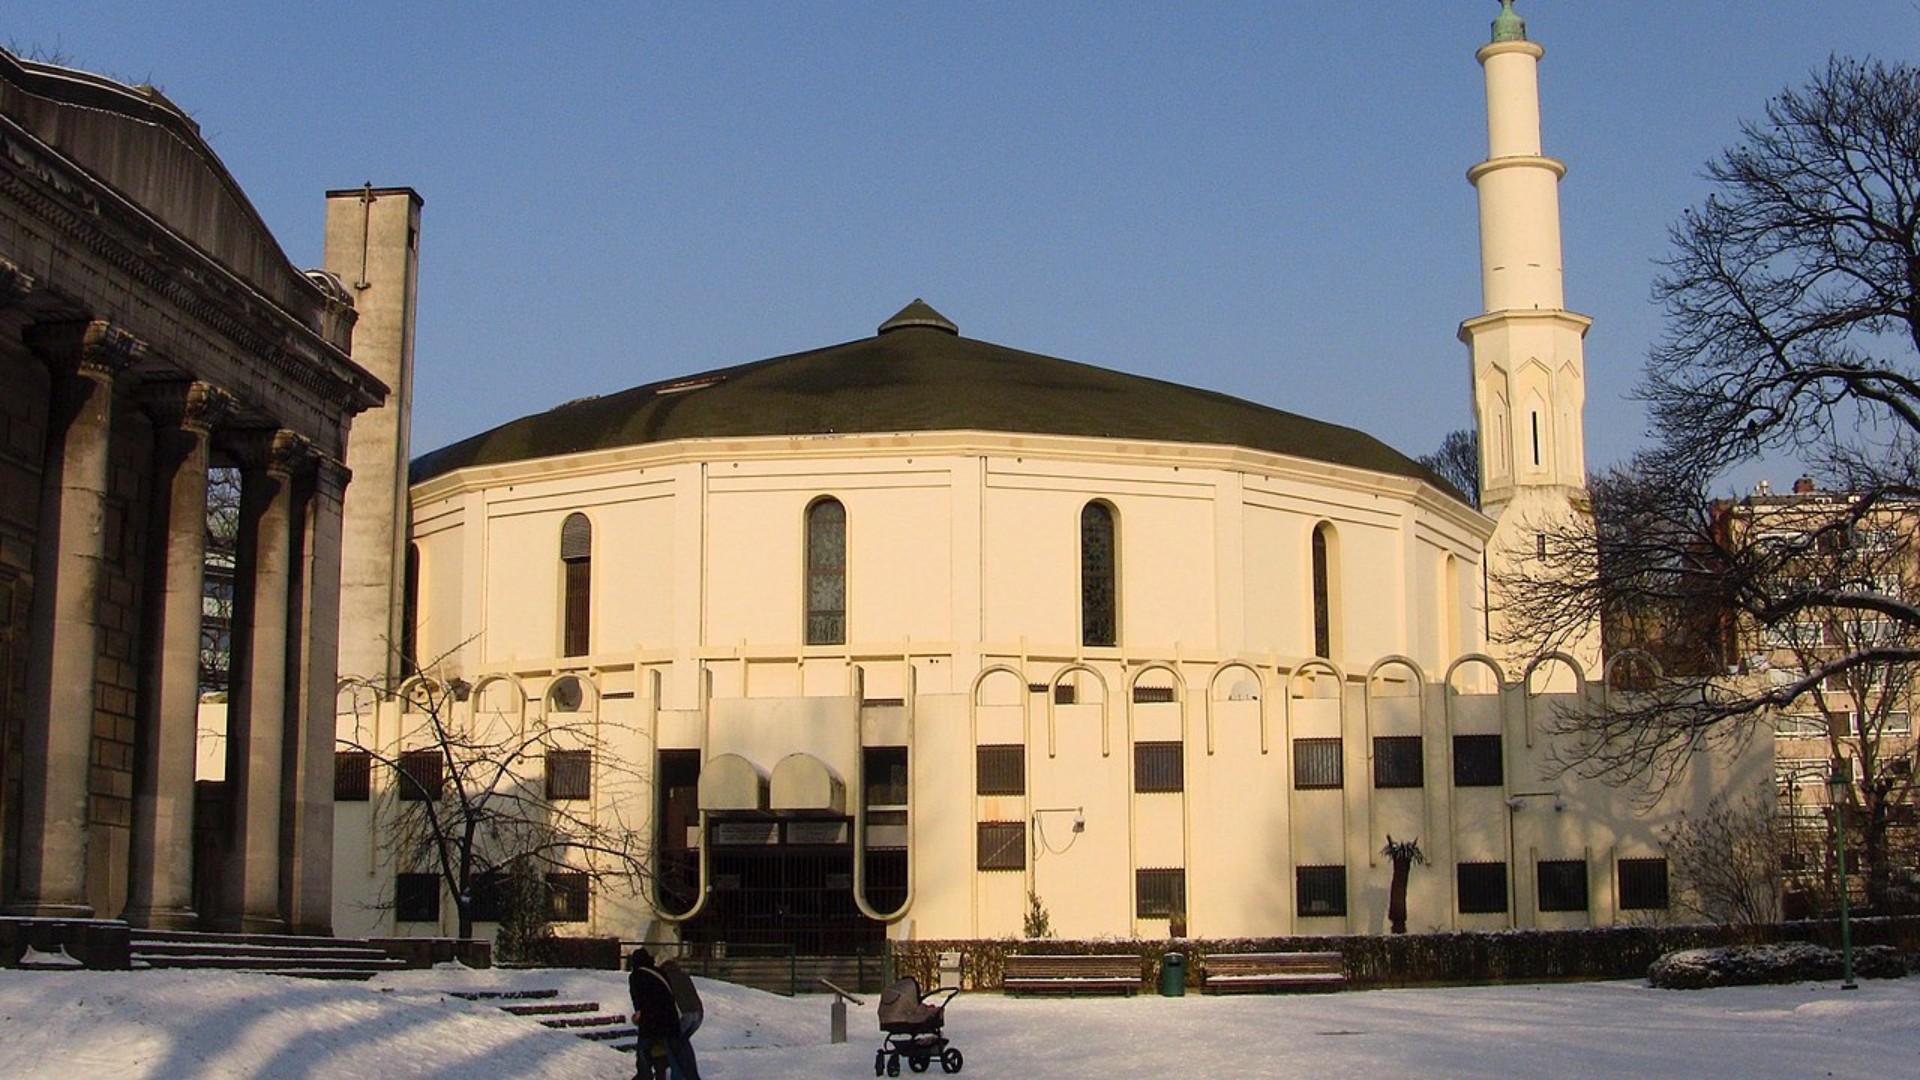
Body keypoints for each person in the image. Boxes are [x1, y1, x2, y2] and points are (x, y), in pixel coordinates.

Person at [628, 948, 701, 1080]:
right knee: (677, 1046)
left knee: (645, 1048)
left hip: (653, 1018)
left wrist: (639, 1016)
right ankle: (688, 1076)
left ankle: (646, 1076)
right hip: (672, 1017)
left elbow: (639, 1000)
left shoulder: (636, 976)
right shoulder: (660, 972)